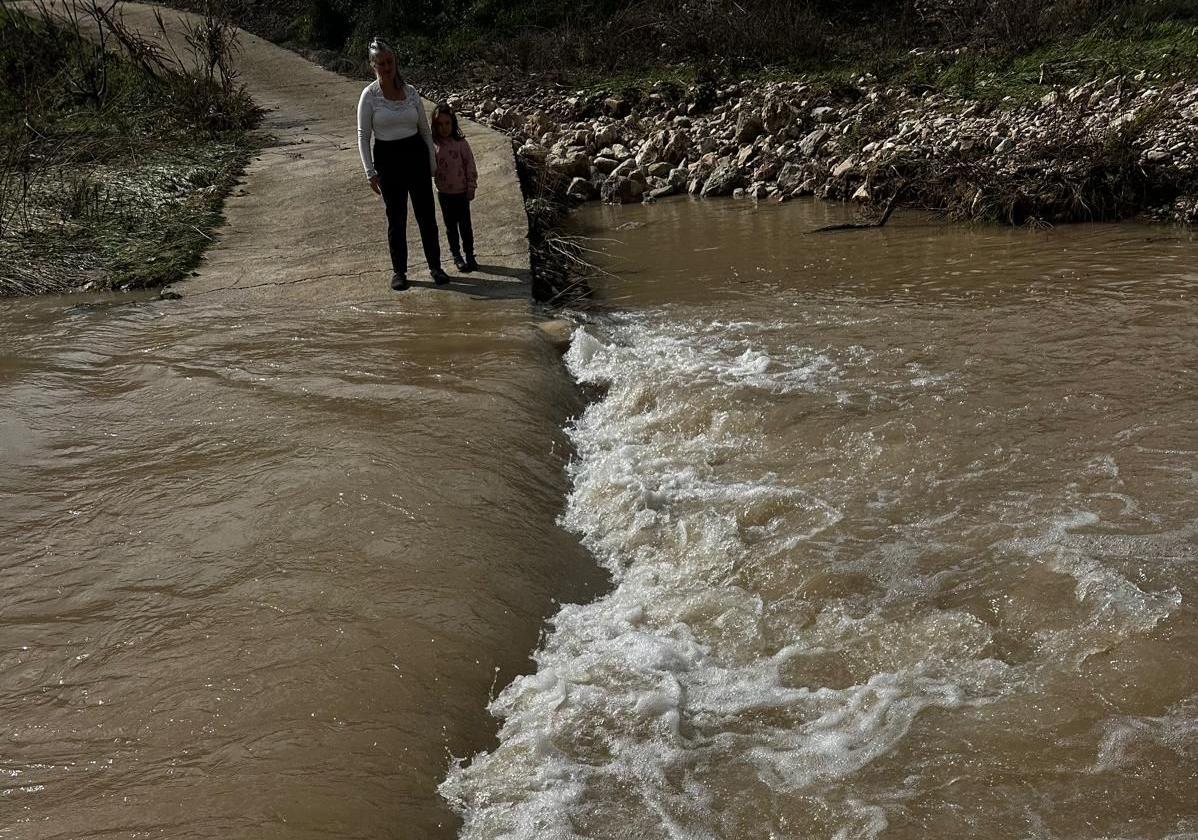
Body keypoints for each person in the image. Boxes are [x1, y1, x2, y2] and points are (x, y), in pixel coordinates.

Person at [356, 37, 450, 291]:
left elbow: (426, 131)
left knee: (426, 216)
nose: (387, 68)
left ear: (395, 62)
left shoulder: (411, 93)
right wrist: (370, 172)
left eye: (390, 62)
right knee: (396, 218)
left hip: (415, 155)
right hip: (388, 159)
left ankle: (435, 266)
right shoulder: (369, 96)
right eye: (381, 63)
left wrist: (432, 162)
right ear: (373, 65)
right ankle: (399, 271)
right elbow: (363, 136)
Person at [431, 103, 479, 273]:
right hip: (444, 194)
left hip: (461, 192)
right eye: (440, 124)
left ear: (453, 124)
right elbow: (430, 168)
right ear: (435, 126)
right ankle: (457, 255)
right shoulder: (434, 145)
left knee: (465, 226)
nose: (444, 128)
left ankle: (470, 255)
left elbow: (470, 165)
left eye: (447, 123)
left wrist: (471, 186)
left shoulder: (461, 143)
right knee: (451, 227)